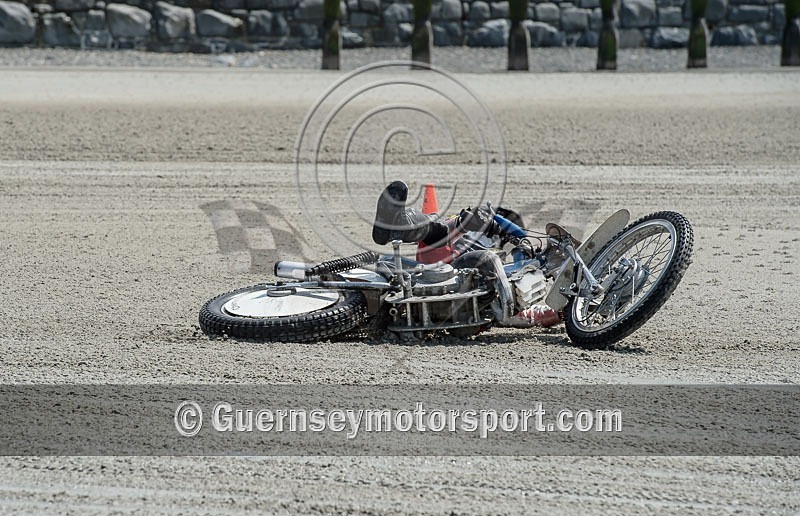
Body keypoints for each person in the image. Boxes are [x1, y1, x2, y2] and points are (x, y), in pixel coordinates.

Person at [371, 180, 560, 327]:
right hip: (442, 269)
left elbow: (528, 309)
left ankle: (399, 226)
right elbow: (460, 223)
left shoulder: (500, 265)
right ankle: (398, 225)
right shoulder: (477, 234)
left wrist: (563, 312)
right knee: (439, 232)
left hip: (463, 282)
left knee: (447, 235)